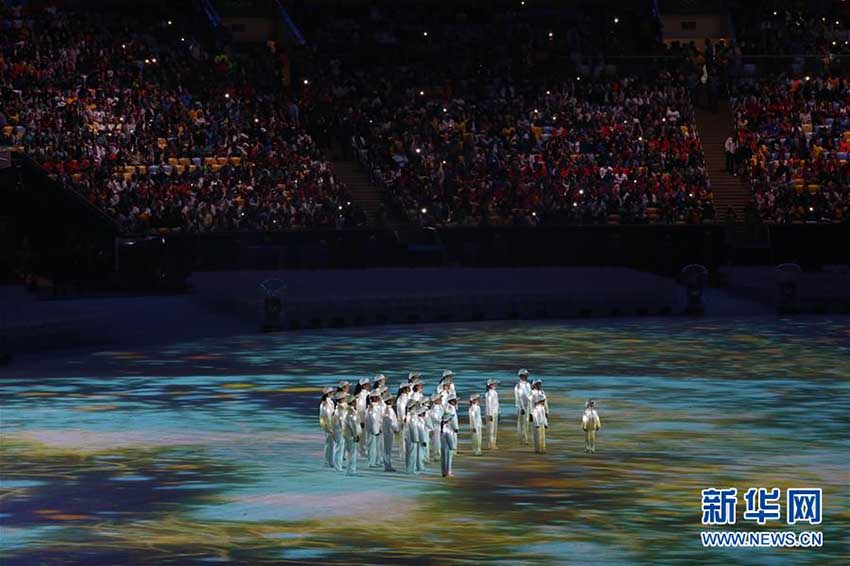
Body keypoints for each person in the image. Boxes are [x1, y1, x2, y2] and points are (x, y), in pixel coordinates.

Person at [341, 394, 361, 475]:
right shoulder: (350, 412)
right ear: (352, 402)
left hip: (347, 434)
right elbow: (353, 425)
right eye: (355, 401)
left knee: (350, 452)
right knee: (351, 453)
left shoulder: (347, 410)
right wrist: (356, 435)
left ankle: (351, 470)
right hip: (351, 435)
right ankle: (351, 470)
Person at [440, 394, 460, 477]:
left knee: (446, 453)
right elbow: (451, 420)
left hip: (449, 429)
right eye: (455, 400)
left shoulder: (451, 407)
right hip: (450, 430)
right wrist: (455, 428)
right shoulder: (450, 409)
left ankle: (445, 471)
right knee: (448, 453)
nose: (456, 401)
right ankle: (447, 471)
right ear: (451, 401)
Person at [381, 392, 400, 471]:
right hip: (388, 431)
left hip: (389, 431)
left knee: (388, 449)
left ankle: (388, 464)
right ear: (388, 401)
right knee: (387, 449)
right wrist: (396, 429)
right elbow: (390, 421)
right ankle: (387, 465)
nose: (393, 401)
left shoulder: (389, 409)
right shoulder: (387, 410)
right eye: (391, 400)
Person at [365, 391, 383, 467]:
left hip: (377, 429)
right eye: (378, 396)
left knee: (377, 446)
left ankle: (376, 461)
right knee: (372, 446)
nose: (380, 398)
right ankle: (371, 462)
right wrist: (376, 430)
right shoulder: (372, 408)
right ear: (374, 398)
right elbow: (374, 420)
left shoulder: (376, 406)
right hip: (373, 430)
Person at [319, 386, 336, 468]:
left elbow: (322, 417)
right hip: (329, 425)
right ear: (329, 393)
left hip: (326, 425)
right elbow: (329, 416)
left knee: (328, 443)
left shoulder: (324, 403)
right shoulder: (328, 403)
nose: (334, 393)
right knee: (331, 444)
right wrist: (331, 428)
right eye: (332, 392)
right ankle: (330, 462)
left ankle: (327, 461)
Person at [331, 392, 348, 472]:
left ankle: (338, 464)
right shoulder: (340, 409)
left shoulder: (340, 408)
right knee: (339, 448)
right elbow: (342, 421)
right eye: (345, 398)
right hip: (339, 430)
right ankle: (338, 466)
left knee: (338, 448)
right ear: (341, 399)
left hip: (338, 430)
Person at [514, 369, 532, 444]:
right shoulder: (518, 386)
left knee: (526, 422)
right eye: (524, 376)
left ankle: (526, 438)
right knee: (520, 423)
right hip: (520, 406)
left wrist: (531, 405)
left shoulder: (528, 385)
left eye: (526, 376)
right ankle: (520, 439)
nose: (525, 377)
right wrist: (522, 408)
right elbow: (519, 397)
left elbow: (530, 395)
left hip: (527, 405)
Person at [354, 377, 372, 456]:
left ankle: (364, 450)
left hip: (367, 417)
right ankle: (362, 450)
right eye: (368, 384)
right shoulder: (361, 396)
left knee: (366, 435)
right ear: (364, 385)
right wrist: (361, 420)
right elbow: (360, 408)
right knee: (363, 435)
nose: (370, 385)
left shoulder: (368, 394)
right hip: (363, 418)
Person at [396, 382, 412, 461]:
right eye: (408, 387)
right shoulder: (402, 398)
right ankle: (403, 454)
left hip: (406, 419)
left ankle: (404, 453)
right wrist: (404, 419)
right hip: (404, 420)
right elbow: (402, 409)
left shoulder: (406, 397)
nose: (410, 388)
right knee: (404, 437)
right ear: (404, 389)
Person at [427, 394, 445, 462]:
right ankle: (436, 456)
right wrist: (443, 421)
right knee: (436, 442)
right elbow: (436, 418)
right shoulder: (434, 409)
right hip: (435, 427)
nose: (441, 400)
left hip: (439, 427)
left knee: (438, 441)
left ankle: (438, 455)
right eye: (439, 399)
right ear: (435, 400)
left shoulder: (440, 407)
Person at [485, 378, 500, 449]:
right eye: (494, 384)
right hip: (490, 413)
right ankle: (490, 444)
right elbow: (489, 405)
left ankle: (494, 443)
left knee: (494, 428)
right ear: (490, 385)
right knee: (490, 428)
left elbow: (497, 403)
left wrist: (499, 411)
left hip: (495, 412)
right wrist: (490, 414)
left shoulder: (495, 393)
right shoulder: (488, 394)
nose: (495, 385)